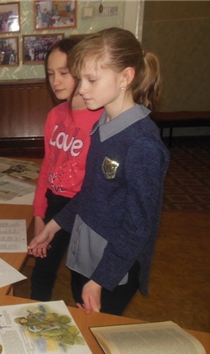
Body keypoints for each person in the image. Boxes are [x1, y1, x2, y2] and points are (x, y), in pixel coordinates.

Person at [28, 27, 169, 316]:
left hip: (114, 268)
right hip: (87, 254)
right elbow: (91, 193)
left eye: (92, 79)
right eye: (81, 79)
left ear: (125, 78)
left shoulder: (142, 145)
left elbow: (137, 227)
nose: (81, 89)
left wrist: (100, 281)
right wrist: (53, 226)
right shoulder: (101, 125)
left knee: (100, 330)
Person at [29, 38, 103, 302]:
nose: (55, 81)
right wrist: (39, 214)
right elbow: (48, 167)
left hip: (83, 209)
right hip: (54, 203)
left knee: (80, 279)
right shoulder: (55, 115)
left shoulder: (101, 119)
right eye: (50, 74)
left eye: (64, 73)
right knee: (41, 273)